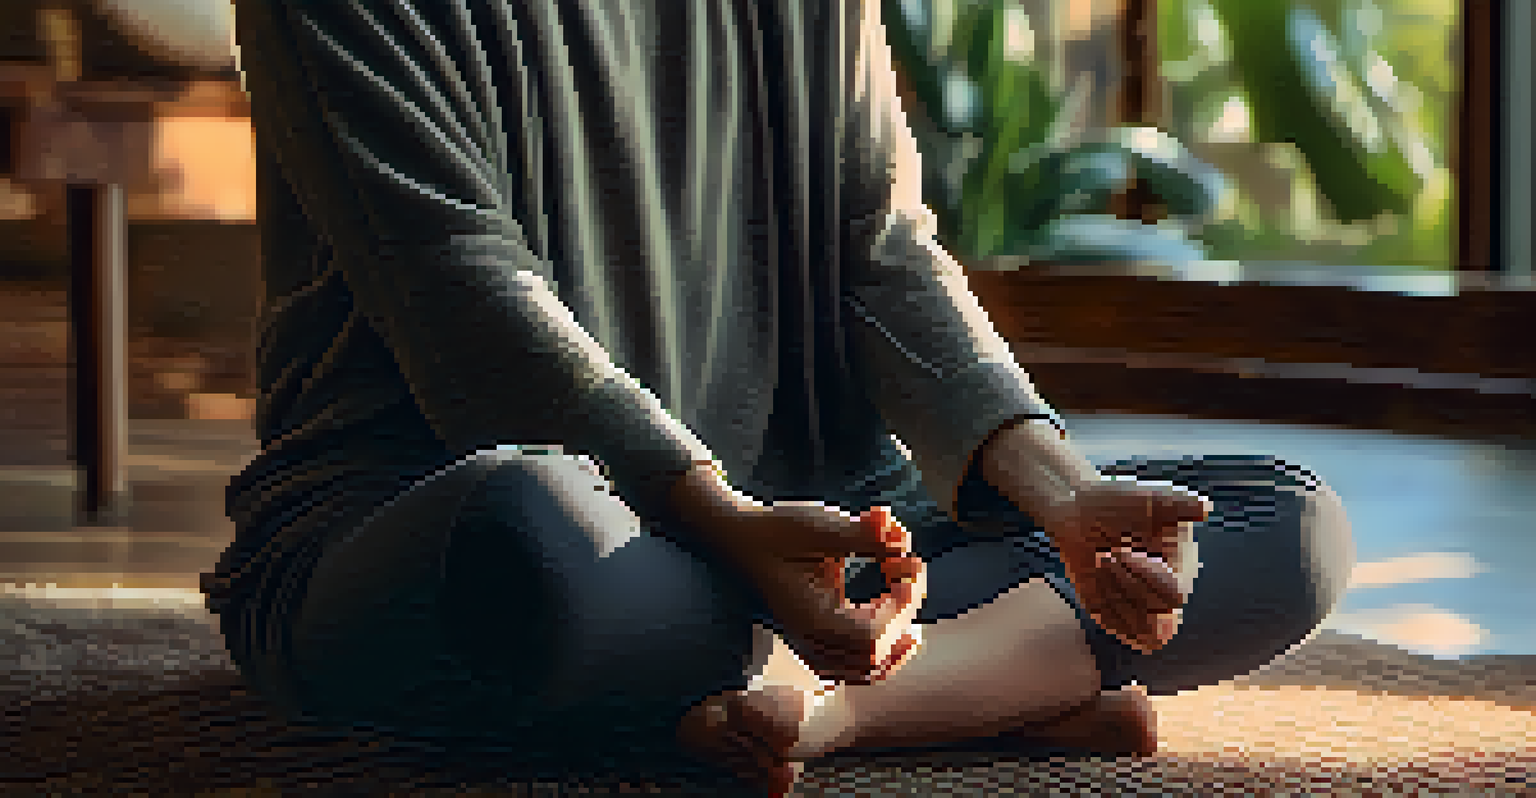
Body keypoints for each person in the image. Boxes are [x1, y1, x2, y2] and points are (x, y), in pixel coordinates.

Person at [204, 0, 1355, 794]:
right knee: (525, 542)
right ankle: (970, 686)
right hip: (480, 518)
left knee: (1284, 523)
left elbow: (881, 249)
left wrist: (1061, 495)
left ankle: (835, 711)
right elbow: (465, 287)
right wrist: (717, 517)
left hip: (830, 537)